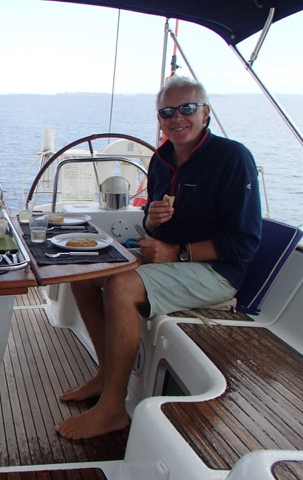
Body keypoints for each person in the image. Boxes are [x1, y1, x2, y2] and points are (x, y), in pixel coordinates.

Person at [55, 76, 262, 440]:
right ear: (159, 119)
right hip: (170, 260)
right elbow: (154, 225)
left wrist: (177, 252)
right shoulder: (161, 160)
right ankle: (105, 374)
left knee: (121, 285)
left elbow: (244, 241)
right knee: (83, 273)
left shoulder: (232, 158)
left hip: (217, 271)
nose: (177, 117)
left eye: (187, 108)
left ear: (206, 113)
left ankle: (113, 408)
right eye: (167, 112)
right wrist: (152, 221)